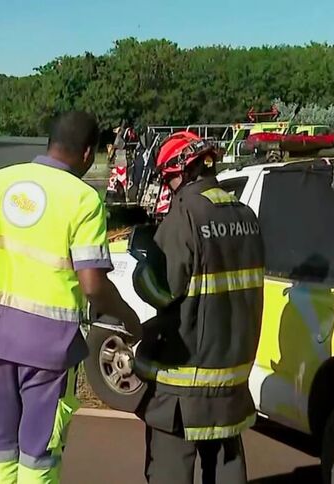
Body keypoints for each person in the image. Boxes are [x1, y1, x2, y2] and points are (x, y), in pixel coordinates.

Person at [0, 111, 143, 484]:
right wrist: (128, 318)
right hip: (49, 351)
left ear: (49, 142)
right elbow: (93, 285)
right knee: (38, 456)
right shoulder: (83, 200)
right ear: (89, 154)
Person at [126, 131, 265, 484]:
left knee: (170, 469)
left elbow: (164, 291)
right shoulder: (246, 215)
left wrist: (144, 269)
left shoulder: (186, 216)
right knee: (226, 468)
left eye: (168, 176)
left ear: (183, 170)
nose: (168, 185)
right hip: (232, 378)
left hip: (184, 384)